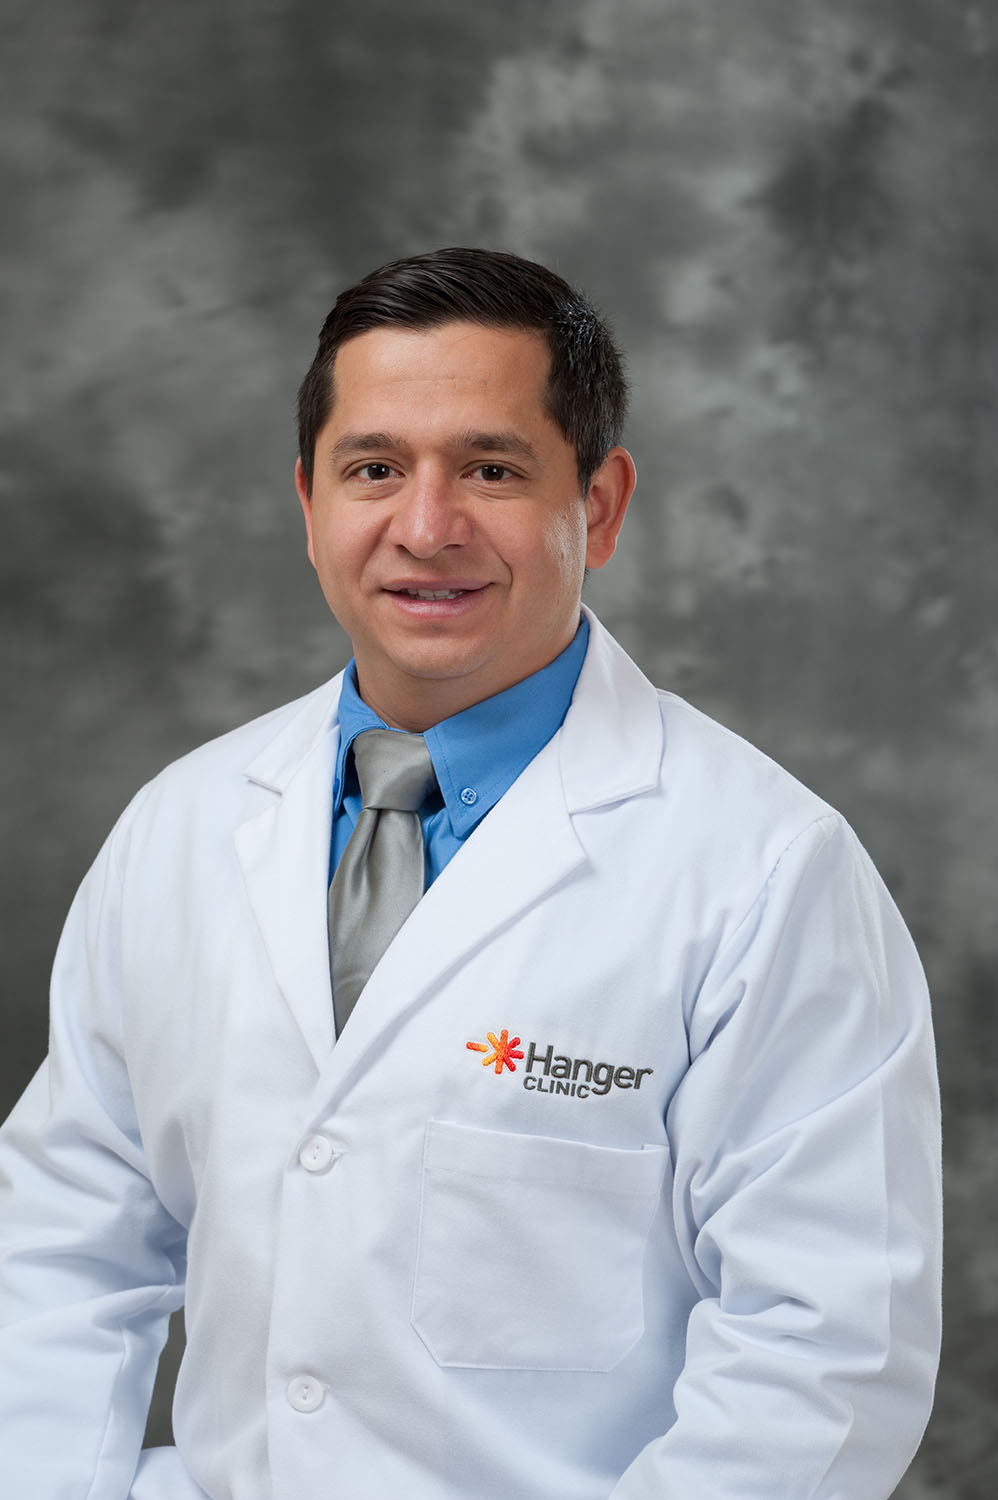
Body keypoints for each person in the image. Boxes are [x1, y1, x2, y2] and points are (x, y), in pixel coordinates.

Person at [0, 248, 941, 1500]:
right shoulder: (180, 826)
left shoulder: (765, 870)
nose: (425, 527)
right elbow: (62, 1241)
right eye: (373, 469)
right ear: (308, 502)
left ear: (598, 504)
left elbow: (821, 1354)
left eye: (490, 469)